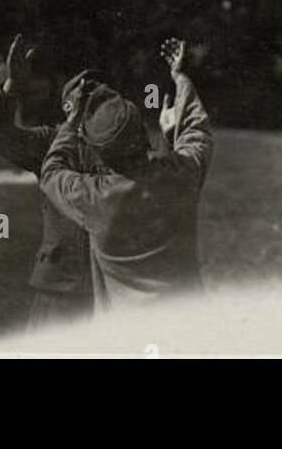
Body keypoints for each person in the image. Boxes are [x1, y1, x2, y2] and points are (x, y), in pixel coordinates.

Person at [39, 37, 212, 309]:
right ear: (143, 133)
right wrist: (180, 78)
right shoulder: (180, 174)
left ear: (100, 152)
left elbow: (51, 172)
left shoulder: (94, 197)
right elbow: (196, 132)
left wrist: (71, 126)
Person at [0, 36, 96, 326]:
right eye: (83, 99)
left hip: (109, 284)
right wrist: (12, 87)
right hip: (61, 284)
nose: (92, 105)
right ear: (68, 108)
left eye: (100, 100)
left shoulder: (125, 146)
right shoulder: (51, 141)